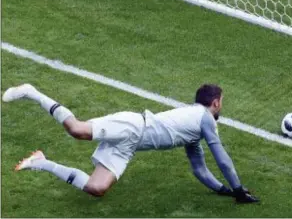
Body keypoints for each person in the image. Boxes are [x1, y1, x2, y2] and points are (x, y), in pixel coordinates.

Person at [2, 83, 259, 203]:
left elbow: (200, 168)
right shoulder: (205, 119)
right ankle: (32, 92)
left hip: (129, 145)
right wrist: (238, 188)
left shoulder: (194, 129)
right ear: (215, 103)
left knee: (96, 188)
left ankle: (41, 161)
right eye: (221, 102)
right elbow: (221, 156)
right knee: (76, 129)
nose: (221, 107)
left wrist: (223, 190)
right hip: (133, 125)